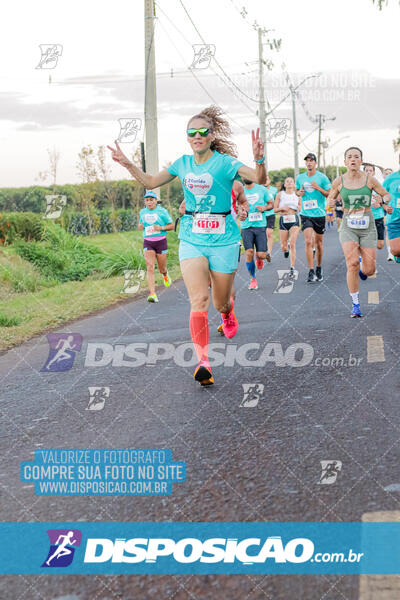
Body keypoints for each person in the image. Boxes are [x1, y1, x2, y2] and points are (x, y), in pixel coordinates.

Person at [108, 105, 265, 386]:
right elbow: (150, 181)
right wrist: (128, 164)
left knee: (220, 301)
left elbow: (259, 178)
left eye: (202, 131)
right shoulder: (182, 163)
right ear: (188, 137)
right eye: (191, 132)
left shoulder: (226, 163)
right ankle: (203, 362)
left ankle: (228, 313)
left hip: (225, 240)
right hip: (192, 238)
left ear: (212, 134)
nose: (197, 136)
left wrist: (260, 160)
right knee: (199, 300)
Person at [328, 147, 391, 317]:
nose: (353, 159)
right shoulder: (339, 181)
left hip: (367, 223)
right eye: (349, 157)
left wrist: (383, 199)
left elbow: (386, 195)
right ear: (345, 162)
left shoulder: (370, 180)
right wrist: (330, 204)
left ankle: (364, 271)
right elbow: (330, 198)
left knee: (369, 270)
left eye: (356, 157)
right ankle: (355, 304)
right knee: (352, 263)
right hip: (348, 224)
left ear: (361, 161)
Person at [296, 153, 332, 283]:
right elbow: (297, 191)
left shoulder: (322, 177)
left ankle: (318, 267)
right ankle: (310, 270)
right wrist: (298, 193)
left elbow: (329, 194)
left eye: (311, 161)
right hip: (306, 214)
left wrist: (317, 188)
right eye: (307, 161)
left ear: (315, 163)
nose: (309, 163)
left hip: (319, 215)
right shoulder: (300, 177)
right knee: (308, 241)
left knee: (319, 244)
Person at [138, 191, 174, 302]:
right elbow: (140, 225)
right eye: (147, 200)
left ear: (155, 201)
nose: (149, 202)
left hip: (161, 242)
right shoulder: (142, 212)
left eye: (151, 200)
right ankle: (152, 294)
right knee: (149, 267)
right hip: (148, 242)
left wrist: (161, 228)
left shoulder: (162, 212)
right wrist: (141, 226)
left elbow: (172, 225)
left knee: (161, 268)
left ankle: (165, 274)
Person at [240, 178, 273, 290]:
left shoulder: (261, 189)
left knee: (260, 255)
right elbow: (235, 206)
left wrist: (264, 208)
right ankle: (253, 279)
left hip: (260, 226)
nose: (246, 177)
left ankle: (264, 255)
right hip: (246, 227)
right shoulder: (240, 190)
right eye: (244, 176)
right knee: (249, 252)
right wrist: (241, 211)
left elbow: (271, 204)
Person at [274, 177, 301, 278]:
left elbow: (301, 208)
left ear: (294, 184)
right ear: (284, 185)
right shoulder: (280, 195)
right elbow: (274, 209)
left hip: (294, 219)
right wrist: (281, 208)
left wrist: (299, 208)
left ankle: (292, 267)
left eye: (291, 181)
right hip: (284, 220)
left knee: (292, 244)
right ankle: (285, 250)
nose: (289, 183)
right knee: (284, 246)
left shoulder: (297, 195)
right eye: (287, 181)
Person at [382, 155, 400, 263]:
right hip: (394, 219)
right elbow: (381, 197)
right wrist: (385, 206)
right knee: (395, 251)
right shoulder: (390, 178)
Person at [264, 175, 278, 261]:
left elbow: (276, 201)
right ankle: (262, 251)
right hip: (261, 215)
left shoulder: (274, 190)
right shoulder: (259, 189)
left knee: (269, 233)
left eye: (267, 179)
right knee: (262, 235)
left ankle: (269, 253)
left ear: (270, 180)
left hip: (271, 214)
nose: (265, 180)